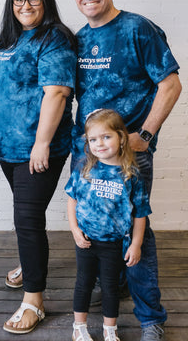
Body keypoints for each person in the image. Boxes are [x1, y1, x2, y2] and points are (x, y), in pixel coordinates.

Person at [70, 0, 181, 341]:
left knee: (137, 230)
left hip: (129, 154)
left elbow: (170, 84)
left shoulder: (138, 29)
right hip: (87, 155)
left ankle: (151, 319)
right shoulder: (79, 38)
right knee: (95, 222)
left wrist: (145, 136)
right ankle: (113, 285)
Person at [0, 0, 77, 334]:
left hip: (38, 149)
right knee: (24, 215)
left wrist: (41, 143)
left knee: (27, 219)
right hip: (5, 148)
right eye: (19, 0)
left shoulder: (54, 38)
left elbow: (57, 93)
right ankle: (30, 263)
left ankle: (33, 301)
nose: (26, 6)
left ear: (46, 2)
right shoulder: (8, 39)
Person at [66, 109, 151, 341]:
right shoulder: (84, 169)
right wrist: (74, 230)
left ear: (121, 138)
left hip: (114, 242)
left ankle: (109, 330)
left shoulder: (131, 175)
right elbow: (71, 200)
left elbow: (141, 213)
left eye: (106, 137)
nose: (99, 144)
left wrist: (136, 244)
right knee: (83, 283)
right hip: (86, 240)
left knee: (111, 287)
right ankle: (79, 327)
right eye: (93, 139)